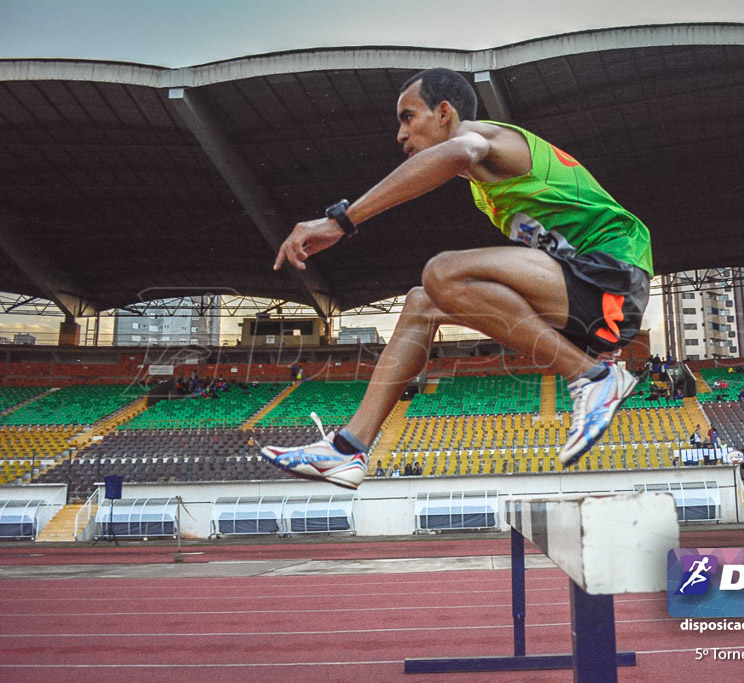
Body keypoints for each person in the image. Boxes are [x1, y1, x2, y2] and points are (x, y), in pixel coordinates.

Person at [259, 68, 652, 489]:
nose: (400, 134)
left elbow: (460, 152)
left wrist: (342, 221)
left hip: (614, 279)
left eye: (408, 117)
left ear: (444, 112)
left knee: (441, 272)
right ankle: (348, 449)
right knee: (420, 301)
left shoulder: (491, 139)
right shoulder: (484, 188)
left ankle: (592, 378)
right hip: (580, 293)